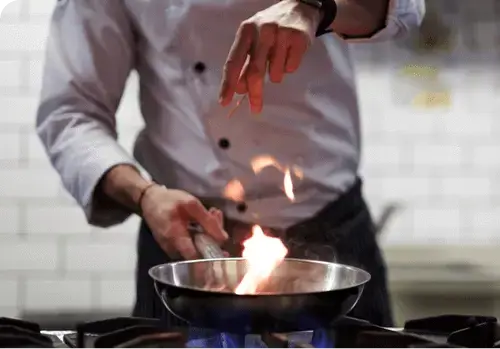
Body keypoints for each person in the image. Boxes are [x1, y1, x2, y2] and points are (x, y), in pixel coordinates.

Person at [36, 0, 425, 328]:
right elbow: (72, 114)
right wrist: (145, 196)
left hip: (333, 233)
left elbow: (403, 8)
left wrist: (316, 8)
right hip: (188, 243)